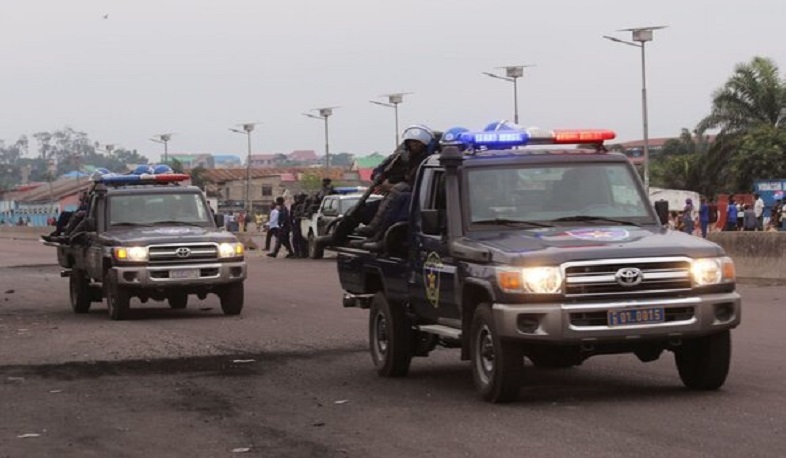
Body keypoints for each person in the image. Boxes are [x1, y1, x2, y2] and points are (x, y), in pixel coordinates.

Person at [352, 125, 438, 250]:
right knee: (363, 209)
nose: (414, 145)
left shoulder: (428, 160)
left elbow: (419, 183)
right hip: (393, 196)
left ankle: (379, 235)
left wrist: (392, 187)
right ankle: (353, 234)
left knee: (400, 195)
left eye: (418, 142)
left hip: (416, 200)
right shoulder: (400, 157)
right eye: (411, 142)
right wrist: (382, 180)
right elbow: (379, 171)